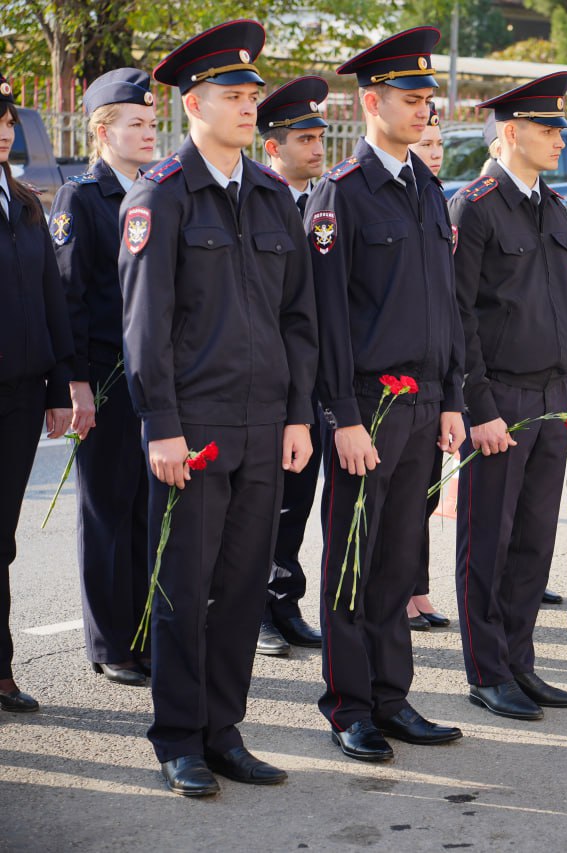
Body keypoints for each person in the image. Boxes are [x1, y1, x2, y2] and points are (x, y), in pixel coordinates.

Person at [119, 20, 317, 796]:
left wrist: (297, 415)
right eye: (232, 94)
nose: (247, 105)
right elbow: (146, 325)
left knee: (239, 589)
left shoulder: (270, 197)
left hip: (264, 425)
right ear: (194, 103)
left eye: (251, 94)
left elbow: (297, 318)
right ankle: (178, 738)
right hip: (194, 428)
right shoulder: (162, 195)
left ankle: (224, 730)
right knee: (183, 585)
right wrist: (161, 426)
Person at [310, 27, 466, 762]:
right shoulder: (341, 193)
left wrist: (453, 398)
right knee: (354, 557)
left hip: (424, 400)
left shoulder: (428, 188)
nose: (424, 110)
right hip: (367, 406)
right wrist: (342, 415)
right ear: (372, 103)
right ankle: (349, 705)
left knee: (400, 558)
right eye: (411, 99)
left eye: (428, 99)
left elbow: (447, 307)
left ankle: (391, 696)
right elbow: (325, 318)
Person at [450, 71, 567, 721]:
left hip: (551, 394)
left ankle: (521, 662)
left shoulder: (551, 206)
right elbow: (460, 315)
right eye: (548, 128)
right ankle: (487, 671)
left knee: (534, 542)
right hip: (501, 398)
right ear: (511, 133)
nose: (560, 138)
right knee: (489, 541)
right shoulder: (475, 206)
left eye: (560, 127)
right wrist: (479, 407)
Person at [50, 69, 156, 687]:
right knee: (107, 513)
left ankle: (142, 635)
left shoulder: (155, 191)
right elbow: (69, 297)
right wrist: (77, 384)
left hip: (151, 379)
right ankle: (111, 642)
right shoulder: (82, 198)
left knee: (146, 512)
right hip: (107, 378)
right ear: (102, 131)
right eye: (134, 123)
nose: (148, 132)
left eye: (151, 122)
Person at [0, 72, 74, 714]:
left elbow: (52, 296)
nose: (4, 132)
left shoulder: (25, 202)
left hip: (21, 395)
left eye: (7, 123)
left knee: (3, 536)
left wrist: (57, 385)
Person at [254, 75, 330, 657]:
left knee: (297, 500)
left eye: (320, 136)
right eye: (304, 138)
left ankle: (284, 600)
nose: (317, 147)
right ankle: (252, 607)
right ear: (272, 147)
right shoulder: (258, 200)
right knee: (261, 503)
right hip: (268, 378)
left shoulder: (328, 200)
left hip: (317, 379)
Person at [405, 97, 451, 631]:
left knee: (425, 494)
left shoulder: (436, 196)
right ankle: (404, 591)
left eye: (439, 144)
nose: (435, 152)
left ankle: (417, 587)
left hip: (433, 380)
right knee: (400, 504)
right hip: (394, 385)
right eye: (427, 144)